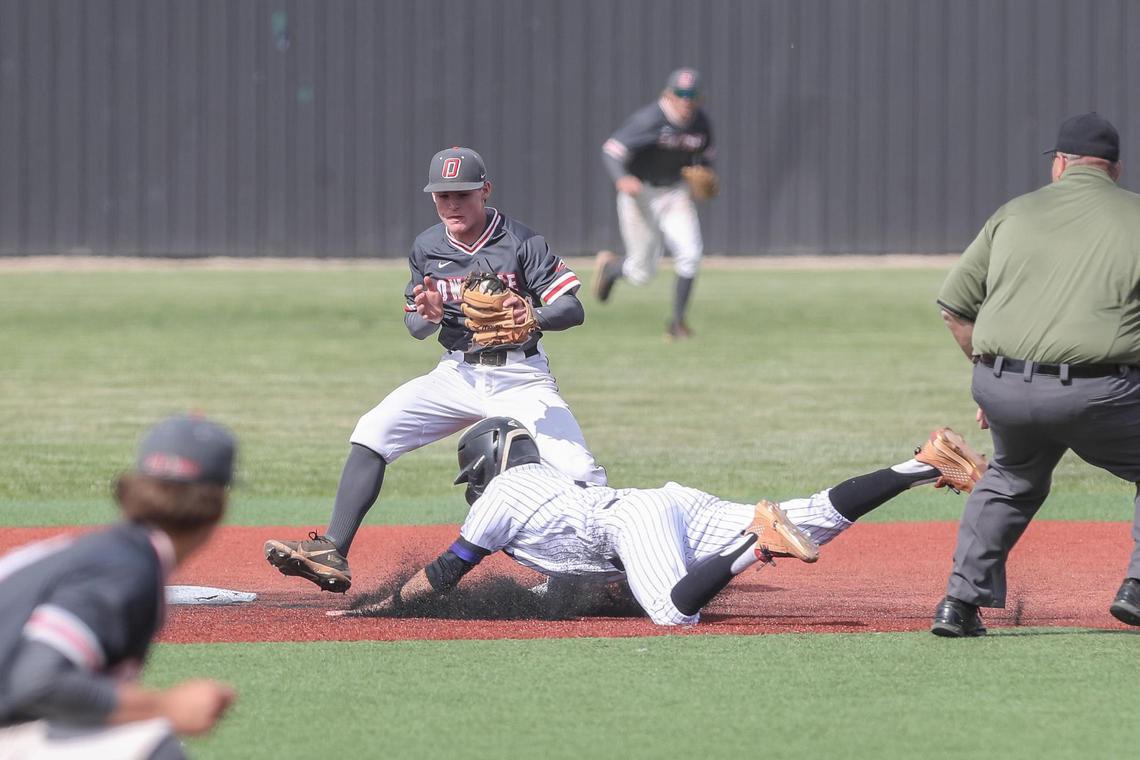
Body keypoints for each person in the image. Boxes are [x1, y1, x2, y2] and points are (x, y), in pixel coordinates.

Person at [265, 147, 607, 593]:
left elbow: (572, 307)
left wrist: (532, 316)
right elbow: (415, 325)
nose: (451, 205)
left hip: (520, 374)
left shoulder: (522, 241)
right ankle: (332, 547)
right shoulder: (427, 246)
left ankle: (600, 572)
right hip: (458, 373)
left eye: (462, 194)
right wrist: (426, 315)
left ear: (485, 190)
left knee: (576, 467)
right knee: (373, 430)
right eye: (442, 196)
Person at [329, 417, 986, 626]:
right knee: (811, 517)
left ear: (483, 466)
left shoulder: (502, 499)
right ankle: (923, 463)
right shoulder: (552, 479)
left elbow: (443, 576)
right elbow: (565, 583)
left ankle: (756, 547)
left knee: (674, 613)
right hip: (666, 503)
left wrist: (380, 607)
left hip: (635, 520)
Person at [932, 112, 1140, 637]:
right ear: (1114, 169)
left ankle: (957, 604)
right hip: (1101, 393)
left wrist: (994, 375)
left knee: (1010, 477)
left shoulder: (1014, 213)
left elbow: (954, 307)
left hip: (1003, 386)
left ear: (1060, 165)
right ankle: (1137, 589)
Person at [0, 415, 238, 759]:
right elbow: (39, 682)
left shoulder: (105, 552)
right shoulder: (126, 569)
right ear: (218, 507)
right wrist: (167, 705)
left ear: (131, 489)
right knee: (155, 747)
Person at [594, 67, 716, 340]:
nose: (686, 100)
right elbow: (611, 151)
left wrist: (706, 174)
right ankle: (612, 269)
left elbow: (706, 158)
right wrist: (622, 178)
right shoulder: (650, 119)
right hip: (640, 193)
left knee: (691, 254)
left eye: (692, 95)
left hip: (674, 192)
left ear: (699, 99)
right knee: (642, 272)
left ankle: (677, 323)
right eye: (681, 94)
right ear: (668, 95)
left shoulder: (701, 122)